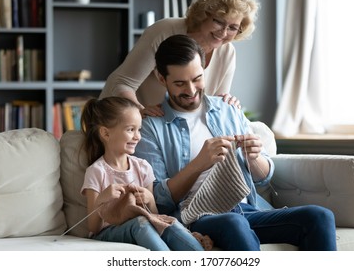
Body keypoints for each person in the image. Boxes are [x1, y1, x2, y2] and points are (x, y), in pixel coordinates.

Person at [134, 34, 338, 251]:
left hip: (247, 209)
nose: (191, 91)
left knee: (319, 216)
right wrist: (200, 163)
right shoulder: (150, 127)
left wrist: (254, 158)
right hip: (198, 216)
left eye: (197, 79)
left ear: (204, 68)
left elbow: (263, 178)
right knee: (234, 222)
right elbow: (158, 199)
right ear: (161, 78)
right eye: (180, 83)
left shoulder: (227, 109)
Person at [99, 0, 259, 116]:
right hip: (126, 116)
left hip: (172, 126)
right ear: (204, 14)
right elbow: (122, 83)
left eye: (232, 27)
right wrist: (139, 112)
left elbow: (214, 105)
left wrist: (228, 102)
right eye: (218, 21)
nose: (223, 32)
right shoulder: (164, 31)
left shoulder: (227, 53)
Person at [79, 96, 205, 251]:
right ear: (105, 133)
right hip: (107, 232)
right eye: (130, 130)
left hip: (142, 223)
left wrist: (150, 199)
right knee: (141, 223)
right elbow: (93, 227)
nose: (137, 136)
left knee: (169, 224)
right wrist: (101, 200)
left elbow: (154, 217)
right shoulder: (96, 172)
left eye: (138, 129)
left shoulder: (143, 167)